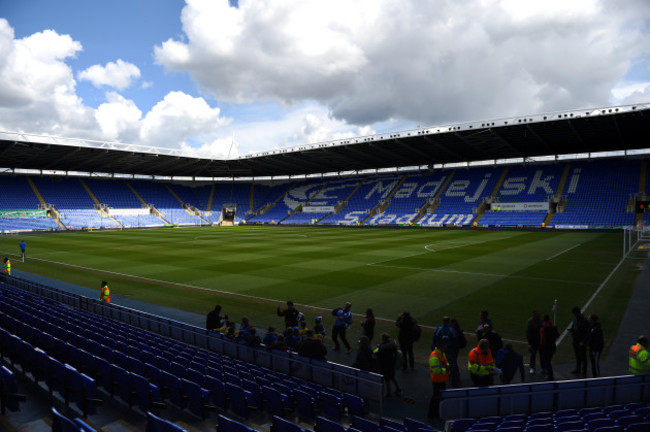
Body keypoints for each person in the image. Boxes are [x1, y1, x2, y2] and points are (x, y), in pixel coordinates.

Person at [432, 316, 460, 388]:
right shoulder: (452, 330)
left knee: (441, 368)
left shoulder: (438, 330)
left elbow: (434, 341)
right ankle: (455, 385)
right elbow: (456, 343)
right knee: (453, 368)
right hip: (450, 353)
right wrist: (456, 352)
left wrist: (433, 351)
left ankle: (441, 383)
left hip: (440, 353)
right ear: (449, 322)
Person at [374, 333, 402, 397]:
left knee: (387, 380)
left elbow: (376, 353)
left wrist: (378, 347)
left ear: (383, 339)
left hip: (384, 365)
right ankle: (399, 389)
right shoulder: (393, 345)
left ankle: (389, 393)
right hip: (391, 364)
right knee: (392, 377)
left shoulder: (381, 347)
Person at [427, 338, 449, 419]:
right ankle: (431, 415)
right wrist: (446, 369)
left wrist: (446, 367)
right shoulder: (435, 356)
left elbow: (445, 363)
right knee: (435, 398)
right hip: (437, 380)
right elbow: (436, 370)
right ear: (441, 346)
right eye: (444, 345)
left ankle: (436, 413)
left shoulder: (441, 354)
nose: (446, 347)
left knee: (438, 398)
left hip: (441, 379)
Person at [568, 306, 589, 377]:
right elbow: (574, 327)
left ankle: (584, 372)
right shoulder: (575, 319)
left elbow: (587, 333)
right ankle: (578, 369)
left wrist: (583, 342)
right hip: (575, 340)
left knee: (583, 357)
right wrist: (571, 329)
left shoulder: (584, 321)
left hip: (581, 342)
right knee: (577, 356)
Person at [539, 314, 559, 380]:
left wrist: (541, 346)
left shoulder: (543, 328)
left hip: (546, 347)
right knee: (548, 361)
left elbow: (542, 339)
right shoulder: (553, 326)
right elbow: (557, 335)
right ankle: (549, 374)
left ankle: (550, 376)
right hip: (553, 346)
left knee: (547, 362)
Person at [525, 310, 542, 374]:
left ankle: (543, 367)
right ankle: (532, 367)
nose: (538, 316)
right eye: (537, 315)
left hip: (540, 341)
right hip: (533, 342)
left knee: (541, 355)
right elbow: (528, 333)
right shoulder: (530, 322)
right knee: (533, 355)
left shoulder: (540, 321)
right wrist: (529, 343)